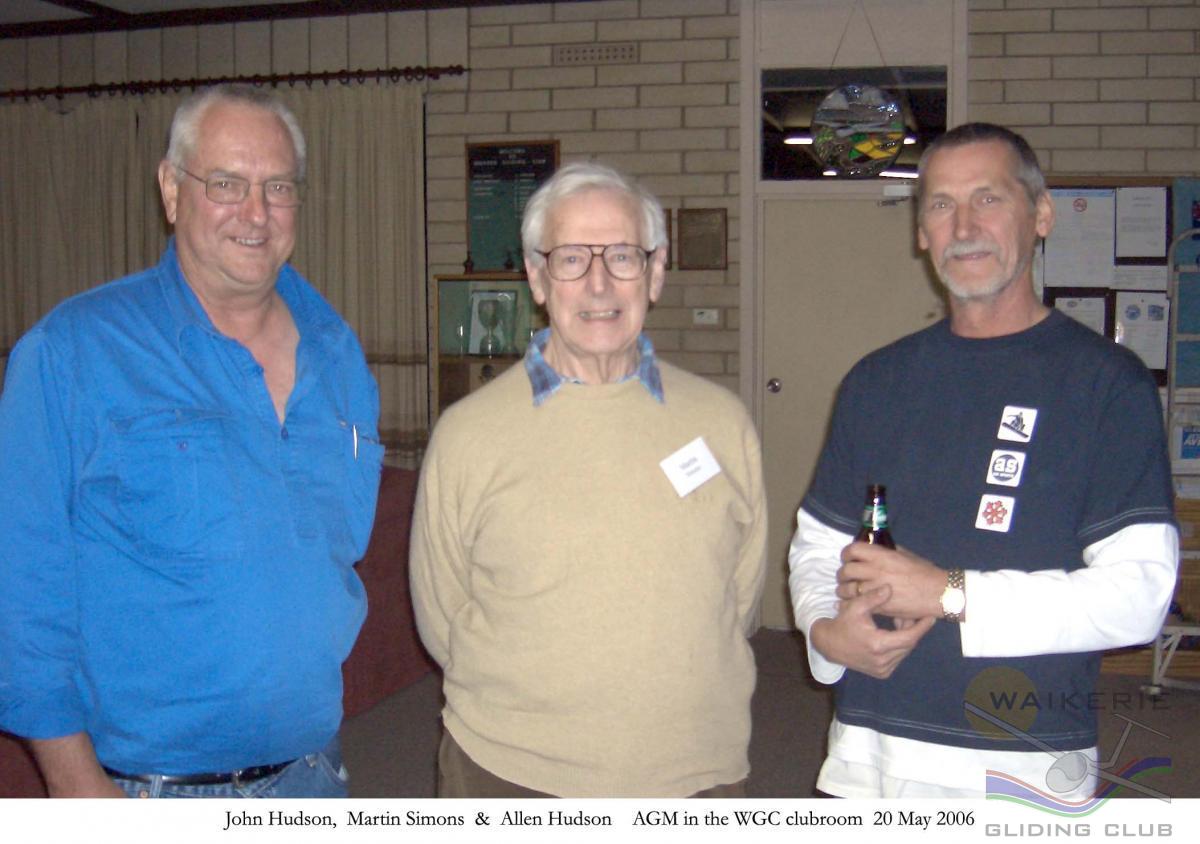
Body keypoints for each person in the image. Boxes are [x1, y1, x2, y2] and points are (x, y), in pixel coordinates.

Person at [0, 84, 383, 798]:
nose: (256, 212)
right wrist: (74, 781)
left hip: (312, 774)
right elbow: (20, 582)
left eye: (278, 187)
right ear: (172, 190)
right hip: (147, 789)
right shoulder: (73, 352)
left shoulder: (338, 354)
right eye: (226, 183)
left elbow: (334, 557)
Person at [788, 122, 1178, 799]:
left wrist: (949, 592)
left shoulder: (1106, 384)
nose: (964, 226)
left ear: (1041, 216)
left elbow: (1140, 595)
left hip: (1023, 762)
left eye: (988, 199)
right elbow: (818, 545)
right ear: (921, 233)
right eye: (941, 204)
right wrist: (827, 634)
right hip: (868, 752)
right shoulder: (876, 381)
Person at [411, 162, 767, 798]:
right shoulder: (467, 436)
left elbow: (738, 599)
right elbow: (442, 617)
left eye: (623, 256)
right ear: (537, 277)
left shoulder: (723, 424)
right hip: (510, 771)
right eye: (572, 258)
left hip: (695, 772)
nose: (599, 283)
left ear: (656, 273)